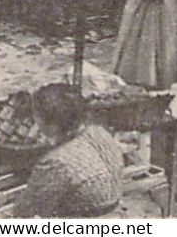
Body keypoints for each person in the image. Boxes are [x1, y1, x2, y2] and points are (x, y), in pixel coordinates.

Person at [7, 85, 124, 218]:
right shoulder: (101, 133)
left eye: (36, 115)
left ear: (49, 123)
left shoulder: (56, 161)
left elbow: (25, 211)